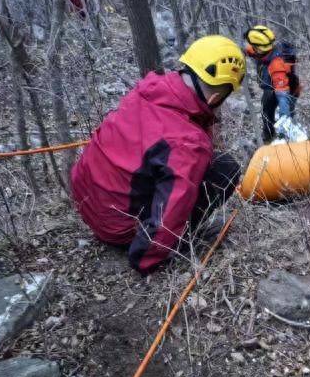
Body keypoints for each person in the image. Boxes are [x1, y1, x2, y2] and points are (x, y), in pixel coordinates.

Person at [70, 35, 246, 274]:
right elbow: (174, 205)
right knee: (225, 168)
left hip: (90, 209)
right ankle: (154, 245)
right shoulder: (188, 141)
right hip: (121, 230)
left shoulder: (148, 90)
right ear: (216, 98)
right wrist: (146, 259)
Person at [243, 24, 302, 143]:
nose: (251, 48)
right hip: (271, 86)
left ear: (259, 48)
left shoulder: (276, 63)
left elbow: (283, 97)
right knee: (267, 110)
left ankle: (286, 135)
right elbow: (249, 51)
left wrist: (284, 121)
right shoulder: (261, 49)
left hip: (288, 89)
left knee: (287, 113)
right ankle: (269, 135)